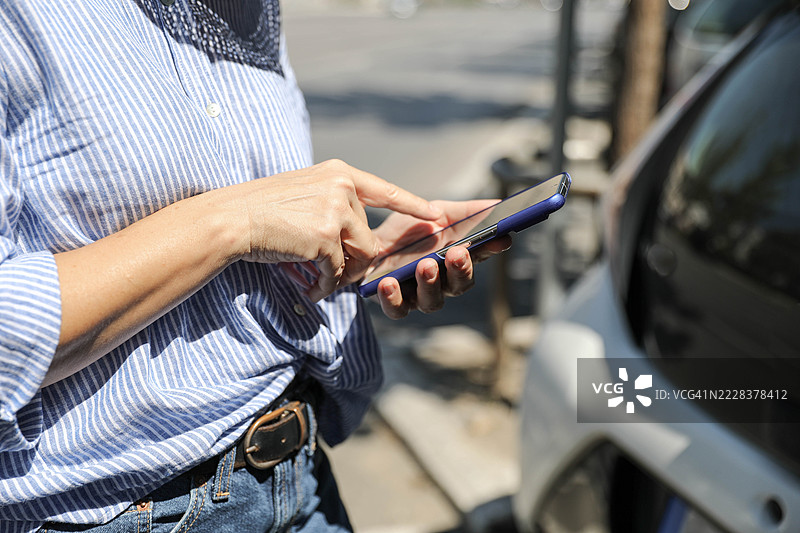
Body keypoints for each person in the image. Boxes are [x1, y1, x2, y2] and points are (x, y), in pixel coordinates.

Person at [0, 1, 511, 532]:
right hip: (128, 515)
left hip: (304, 477)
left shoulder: (251, 13)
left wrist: (361, 258)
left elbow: (253, 264)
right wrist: (233, 222)